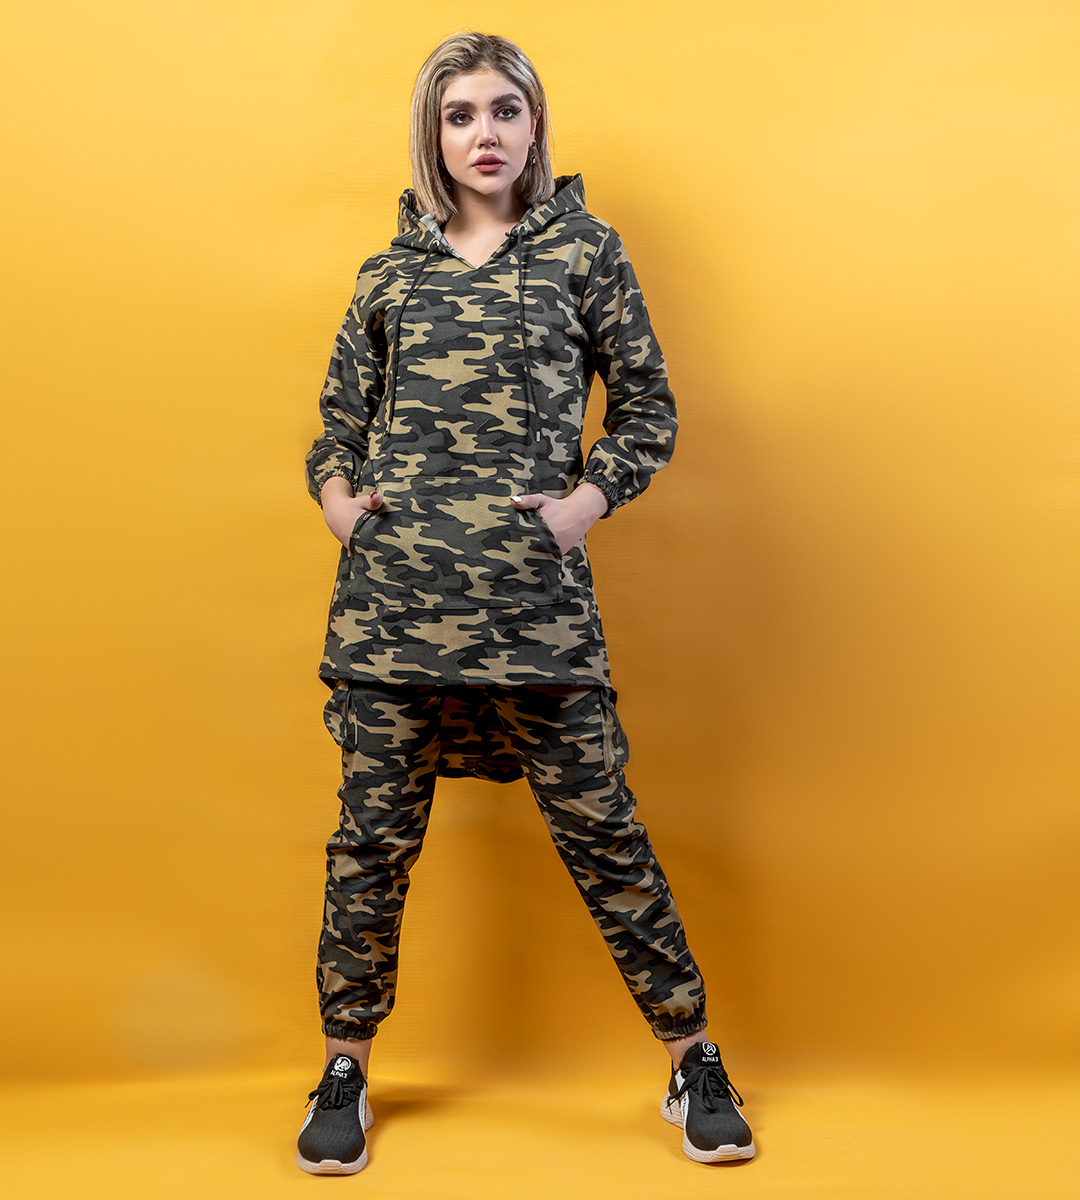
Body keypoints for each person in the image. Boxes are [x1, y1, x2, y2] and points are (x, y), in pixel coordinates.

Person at [296, 31, 755, 1174]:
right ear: (434, 133)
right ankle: (345, 1069)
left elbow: (647, 410)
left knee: (606, 838)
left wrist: (580, 507)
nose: (485, 134)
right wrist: (343, 506)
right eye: (460, 115)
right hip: (392, 615)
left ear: (535, 123)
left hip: (534, 615)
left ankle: (693, 1059)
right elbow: (334, 429)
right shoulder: (388, 274)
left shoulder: (584, 253)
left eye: (505, 109)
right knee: (369, 850)